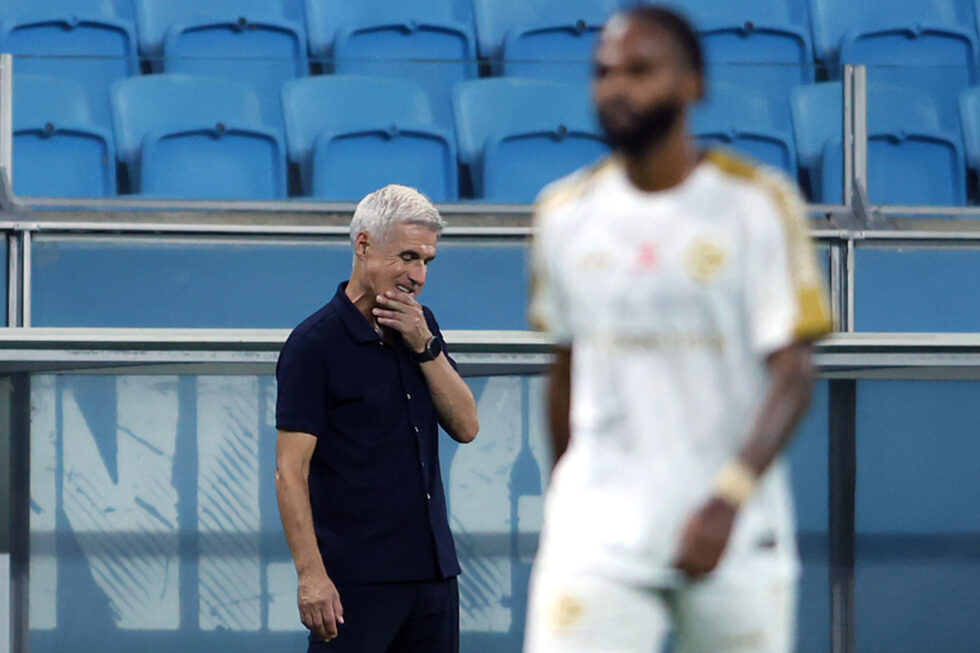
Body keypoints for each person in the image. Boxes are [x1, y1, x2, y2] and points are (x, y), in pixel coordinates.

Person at [524, 6, 833, 653]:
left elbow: (794, 371)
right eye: (604, 72)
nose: (618, 87)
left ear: (693, 83)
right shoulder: (563, 214)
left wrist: (728, 498)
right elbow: (565, 367)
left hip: (732, 532)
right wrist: (565, 497)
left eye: (640, 70)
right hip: (599, 538)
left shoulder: (757, 205)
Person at [275, 184, 480, 653]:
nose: (418, 276)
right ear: (364, 245)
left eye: (427, 260)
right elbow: (290, 472)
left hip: (433, 576)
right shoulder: (314, 344)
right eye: (407, 257)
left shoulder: (420, 325)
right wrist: (312, 576)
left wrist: (424, 344)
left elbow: (467, 427)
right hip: (354, 583)